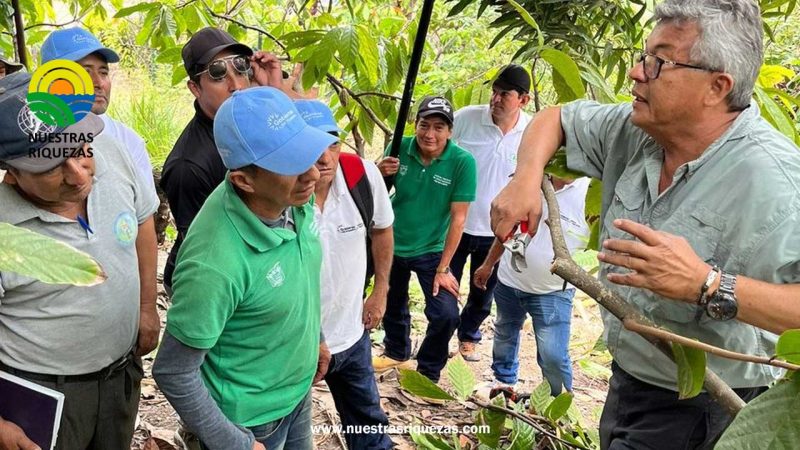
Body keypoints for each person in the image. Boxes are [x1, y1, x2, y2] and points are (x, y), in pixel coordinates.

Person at [490, 0, 800, 448]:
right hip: (628, 383)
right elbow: (555, 118)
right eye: (644, 55)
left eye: (659, 62)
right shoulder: (635, 130)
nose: (636, 72)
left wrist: (708, 284)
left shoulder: (781, 183)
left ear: (717, 87)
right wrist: (525, 179)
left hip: (708, 406)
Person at [152, 87, 337, 450]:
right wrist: (233, 441)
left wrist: (316, 339)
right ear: (243, 180)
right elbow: (173, 371)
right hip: (251, 421)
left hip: (295, 395)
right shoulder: (215, 262)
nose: (312, 174)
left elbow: (301, 277)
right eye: (291, 164)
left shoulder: (290, 197)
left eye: (307, 154)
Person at [0, 72, 160, 450]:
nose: (77, 175)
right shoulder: (5, 234)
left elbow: (142, 221)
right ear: (12, 173)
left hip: (120, 374)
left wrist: (146, 305)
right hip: (40, 395)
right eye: (51, 167)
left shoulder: (113, 154)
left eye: (79, 149)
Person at [295, 100, 395, 449]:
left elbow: (382, 230)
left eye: (332, 143)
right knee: (285, 430)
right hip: (295, 342)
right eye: (312, 144)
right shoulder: (280, 191)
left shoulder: (362, 176)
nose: (325, 157)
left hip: (352, 333)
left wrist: (380, 289)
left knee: (368, 426)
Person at [160, 27, 288, 294]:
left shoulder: (251, 120)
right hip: (212, 281)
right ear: (195, 88)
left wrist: (274, 92)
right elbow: (207, 252)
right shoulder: (189, 165)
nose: (236, 84)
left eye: (241, 68)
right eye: (218, 73)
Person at [375, 96, 478, 382]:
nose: (429, 134)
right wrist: (378, 171)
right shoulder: (399, 149)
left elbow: (459, 218)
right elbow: (378, 195)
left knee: (445, 314)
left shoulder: (462, 162)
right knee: (392, 299)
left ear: (449, 132)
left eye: (438, 127)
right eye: (424, 125)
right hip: (393, 240)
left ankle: (427, 371)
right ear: (415, 124)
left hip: (432, 248)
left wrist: (444, 269)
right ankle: (396, 351)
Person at [474, 177, 589, 396]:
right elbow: (508, 227)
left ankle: (556, 403)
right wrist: (489, 264)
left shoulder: (589, 192)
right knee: (505, 331)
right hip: (510, 281)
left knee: (553, 354)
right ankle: (503, 382)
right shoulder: (530, 178)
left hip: (552, 291)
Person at [449, 63, 532, 362]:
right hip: (456, 223)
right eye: (494, 93)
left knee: (483, 291)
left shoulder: (532, 132)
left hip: (498, 231)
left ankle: (468, 335)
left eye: (504, 95)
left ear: (523, 99)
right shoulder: (467, 119)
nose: (495, 100)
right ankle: (442, 333)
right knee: (445, 285)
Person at [41, 27, 156, 190]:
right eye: (85, 72)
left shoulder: (129, 142)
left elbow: (145, 212)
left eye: (103, 72)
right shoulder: (32, 142)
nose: (99, 83)